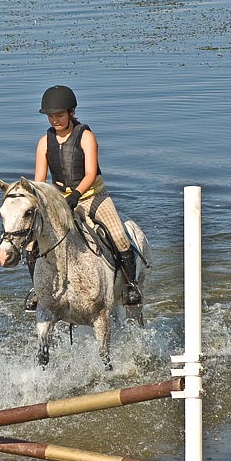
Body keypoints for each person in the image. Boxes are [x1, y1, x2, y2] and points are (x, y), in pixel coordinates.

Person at [27, 85, 141, 309]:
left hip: (92, 195)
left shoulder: (86, 137)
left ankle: (131, 286)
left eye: (59, 115)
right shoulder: (44, 143)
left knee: (118, 235)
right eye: (51, 116)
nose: (55, 120)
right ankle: (36, 289)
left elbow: (90, 174)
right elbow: (39, 180)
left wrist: (76, 195)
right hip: (59, 200)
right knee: (32, 243)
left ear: (71, 112)